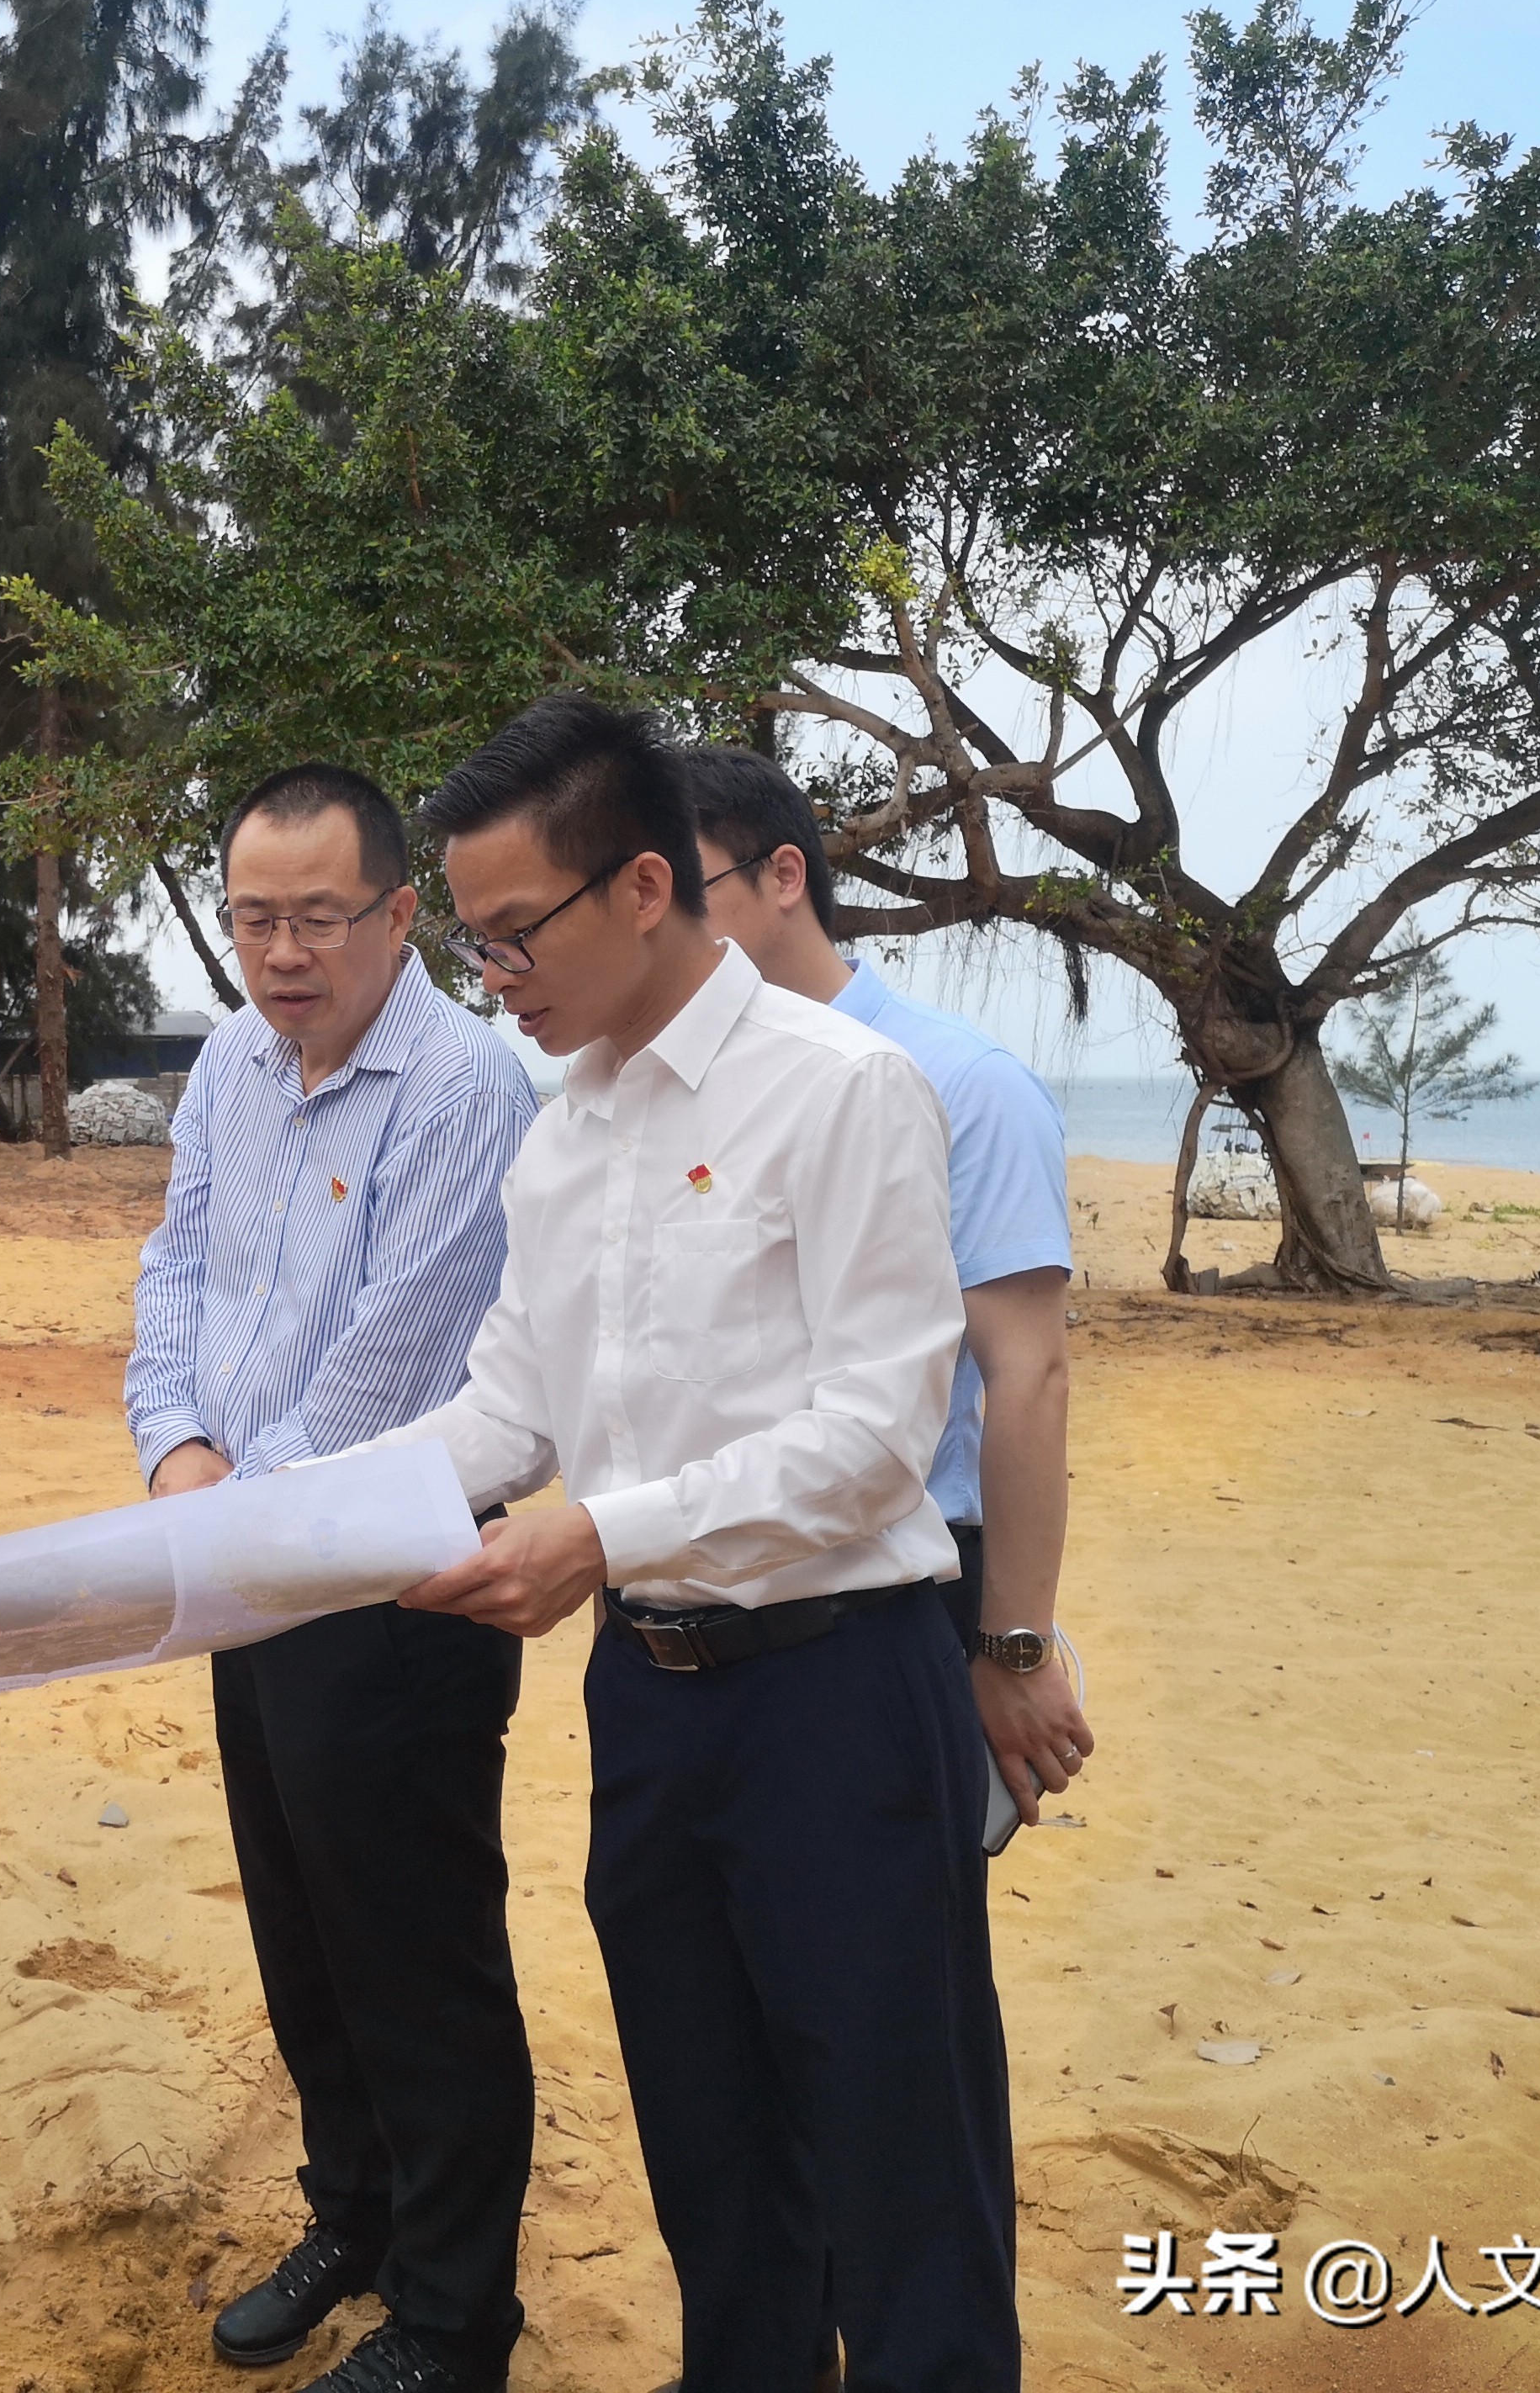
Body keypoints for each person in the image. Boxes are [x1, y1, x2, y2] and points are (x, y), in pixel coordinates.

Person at [384, 694, 1019, 2392]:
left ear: (644, 886)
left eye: (513, 934)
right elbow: (507, 1405)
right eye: (473, 943)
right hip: (650, 1708)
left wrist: (597, 1536)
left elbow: (873, 1437)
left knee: (898, 2158)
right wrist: (303, 1517)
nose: (494, 978)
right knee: (711, 2151)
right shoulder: (564, 1131)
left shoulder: (841, 1090)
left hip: (837, 1695)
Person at [125, 765, 541, 2393]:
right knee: (303, 1933)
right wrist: (174, 1449)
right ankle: (350, 2219)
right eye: (253, 919)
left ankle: (452, 2319)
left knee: (415, 1958)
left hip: (390, 1590)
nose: (282, 954)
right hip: (242, 1568)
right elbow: (176, 1269)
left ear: (397, 912)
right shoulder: (229, 1063)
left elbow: (388, 1370)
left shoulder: (460, 1088)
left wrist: (230, 1506)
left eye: (316, 918)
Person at [673, 743, 1093, 1824]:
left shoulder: (965, 1085)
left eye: (684, 891)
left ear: (783, 876)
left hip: (893, 1591)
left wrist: (1013, 1646)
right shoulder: (670, 1095)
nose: (657, 927)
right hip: (692, 1597)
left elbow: (1027, 1376)